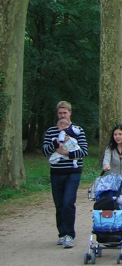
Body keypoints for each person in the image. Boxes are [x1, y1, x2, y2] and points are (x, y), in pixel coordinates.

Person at [42, 100, 89, 248]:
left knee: (68, 202)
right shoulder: (51, 131)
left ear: (70, 113)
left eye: (65, 112)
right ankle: (62, 233)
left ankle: (69, 234)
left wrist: (66, 153)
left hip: (73, 172)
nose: (62, 115)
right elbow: (44, 151)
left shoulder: (77, 130)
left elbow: (83, 151)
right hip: (56, 172)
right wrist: (54, 144)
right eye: (60, 113)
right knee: (59, 204)